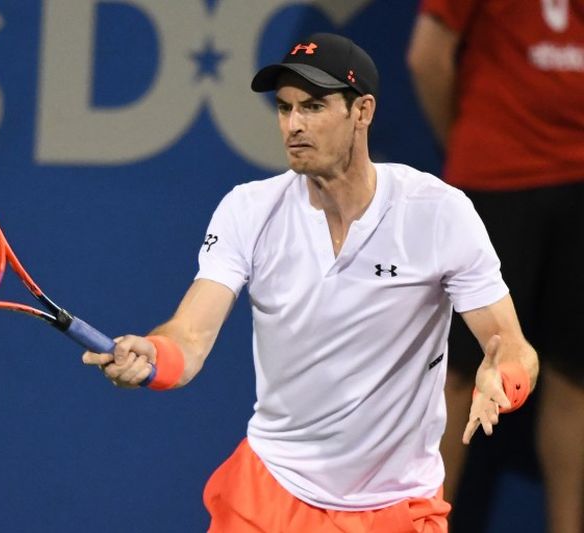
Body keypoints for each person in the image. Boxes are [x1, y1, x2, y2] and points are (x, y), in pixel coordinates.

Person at [84, 33, 539, 533]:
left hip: (393, 507)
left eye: (314, 106)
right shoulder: (249, 209)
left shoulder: (438, 213)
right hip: (267, 492)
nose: (293, 124)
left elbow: (513, 349)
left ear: (362, 111)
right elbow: (189, 338)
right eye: (284, 108)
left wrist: (505, 380)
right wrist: (153, 358)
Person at [407, 3, 584, 532]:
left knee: (575, 374)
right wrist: (469, 145)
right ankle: (423, 525)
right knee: (459, 372)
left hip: (579, 186)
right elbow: (427, 57)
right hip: (494, 180)